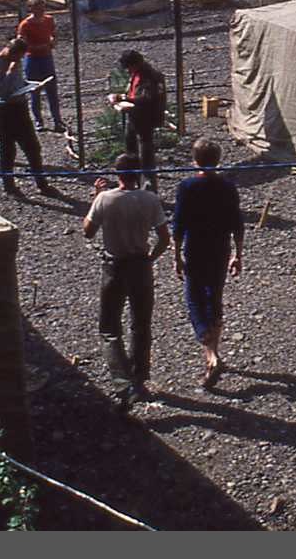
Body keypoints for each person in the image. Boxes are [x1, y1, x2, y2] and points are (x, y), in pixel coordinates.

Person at [83, 162, 170, 409]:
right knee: (141, 323)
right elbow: (164, 238)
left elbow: (88, 231)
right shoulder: (150, 199)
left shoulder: (105, 199)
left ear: (117, 174)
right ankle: (140, 377)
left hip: (115, 265)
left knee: (110, 326)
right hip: (140, 264)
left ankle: (123, 384)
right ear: (138, 173)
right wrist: (150, 258)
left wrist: (96, 197)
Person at [170, 138, 244, 389]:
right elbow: (237, 223)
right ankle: (214, 353)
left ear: (194, 160)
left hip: (196, 248)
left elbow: (178, 225)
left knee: (194, 299)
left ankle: (211, 354)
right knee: (214, 297)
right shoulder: (228, 187)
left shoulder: (188, 187)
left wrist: (176, 255)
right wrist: (238, 253)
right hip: (220, 248)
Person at [0, 37, 56, 197]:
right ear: (10, 51)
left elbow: (19, 83)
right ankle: (9, 185)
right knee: (8, 150)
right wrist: (10, 72)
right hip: (6, 110)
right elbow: (1, 92)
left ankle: (41, 183)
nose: (19, 61)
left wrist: (32, 85)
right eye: (18, 57)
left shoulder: (16, 62)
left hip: (21, 108)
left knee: (32, 147)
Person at [107, 50, 167, 189]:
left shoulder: (150, 76)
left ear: (135, 64)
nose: (127, 70)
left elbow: (145, 98)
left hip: (146, 120)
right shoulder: (136, 74)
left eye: (128, 67)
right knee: (131, 153)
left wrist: (122, 98)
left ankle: (148, 188)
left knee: (145, 157)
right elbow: (134, 93)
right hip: (134, 118)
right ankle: (132, 183)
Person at [16, 0, 65, 133]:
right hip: (32, 59)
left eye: (43, 7)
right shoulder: (25, 25)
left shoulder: (49, 20)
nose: (41, 10)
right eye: (38, 7)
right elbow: (22, 44)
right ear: (32, 8)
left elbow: (54, 34)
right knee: (34, 90)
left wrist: (53, 41)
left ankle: (57, 120)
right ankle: (38, 121)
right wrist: (38, 46)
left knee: (52, 90)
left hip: (46, 57)